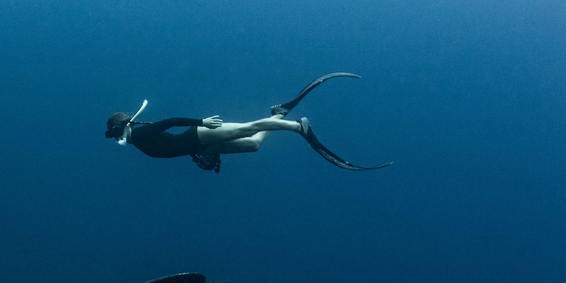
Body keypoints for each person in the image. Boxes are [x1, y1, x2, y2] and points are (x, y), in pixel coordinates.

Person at [104, 73, 391, 173]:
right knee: (254, 145)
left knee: (251, 127)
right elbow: (171, 146)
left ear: (123, 127)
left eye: (116, 132)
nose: (118, 138)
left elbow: (171, 122)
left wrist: (201, 121)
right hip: (200, 144)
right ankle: (278, 113)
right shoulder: (140, 143)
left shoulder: (140, 135)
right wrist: (202, 154)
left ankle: (298, 127)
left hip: (201, 132)